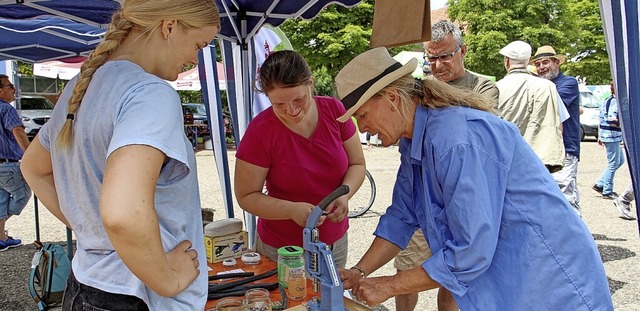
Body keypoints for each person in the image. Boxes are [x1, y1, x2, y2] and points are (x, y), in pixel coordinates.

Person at [335, 47, 613, 310]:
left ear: (392, 99)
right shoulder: (414, 141)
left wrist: (389, 286)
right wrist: (358, 272)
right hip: (511, 278)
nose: (364, 128)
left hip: (549, 280)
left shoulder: (454, 140)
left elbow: (470, 251)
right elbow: (401, 217)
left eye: (363, 115)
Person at [20, 1, 221, 310]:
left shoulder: (81, 88)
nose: (193, 60)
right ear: (169, 26)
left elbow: (33, 167)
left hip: (86, 284)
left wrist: (93, 230)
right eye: (198, 45)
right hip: (137, 294)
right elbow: (122, 213)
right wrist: (166, 278)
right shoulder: (149, 93)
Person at [394, 19, 501, 311]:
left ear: (462, 51)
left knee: (453, 279)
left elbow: (478, 128)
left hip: (462, 198)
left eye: (445, 56)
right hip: (424, 195)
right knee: (406, 268)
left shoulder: (483, 87)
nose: (438, 65)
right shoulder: (420, 88)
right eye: (431, 57)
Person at [234, 50, 365, 268]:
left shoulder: (334, 110)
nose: (291, 111)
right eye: (279, 105)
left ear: (310, 84)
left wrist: (345, 194)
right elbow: (246, 196)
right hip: (282, 250)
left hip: (334, 243)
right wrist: (290, 210)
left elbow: (357, 164)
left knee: (330, 300)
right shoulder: (261, 131)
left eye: (298, 99)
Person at [495, 41, 565, 173]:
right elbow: (558, 125)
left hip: (508, 159)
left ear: (507, 61)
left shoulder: (497, 87)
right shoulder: (548, 86)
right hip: (540, 160)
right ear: (528, 61)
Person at [533, 46, 582, 215]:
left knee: (566, 197)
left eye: (545, 62)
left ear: (557, 62)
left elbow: (550, 107)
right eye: (537, 64)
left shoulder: (568, 83)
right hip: (544, 149)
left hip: (565, 149)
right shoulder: (540, 86)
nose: (541, 68)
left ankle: (578, 239)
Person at [0, 74, 31, 252]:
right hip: (7, 163)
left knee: (2, 198)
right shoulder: (6, 109)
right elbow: (17, 130)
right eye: (9, 86)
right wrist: (28, 153)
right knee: (23, 194)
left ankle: (1, 237)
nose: (13, 89)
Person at [593, 81, 624, 199]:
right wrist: (623, 126)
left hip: (608, 135)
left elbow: (601, 119)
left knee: (620, 160)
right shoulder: (615, 102)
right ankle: (607, 190)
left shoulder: (607, 99)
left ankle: (600, 183)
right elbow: (612, 119)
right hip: (611, 135)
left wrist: (600, 135)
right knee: (613, 163)